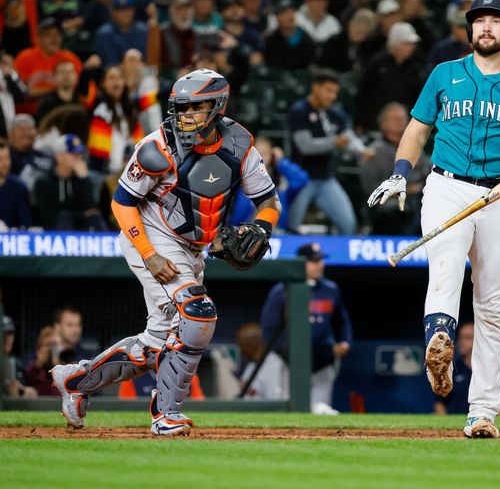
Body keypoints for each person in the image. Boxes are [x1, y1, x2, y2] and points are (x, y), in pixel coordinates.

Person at [49, 68, 281, 436]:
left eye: (195, 108)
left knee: (154, 345)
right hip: (151, 238)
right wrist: (149, 254)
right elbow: (122, 203)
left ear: (217, 108)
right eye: (181, 108)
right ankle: (165, 414)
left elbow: (268, 200)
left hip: (192, 247)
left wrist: (262, 226)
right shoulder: (157, 147)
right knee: (198, 314)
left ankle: (76, 382)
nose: (185, 116)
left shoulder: (239, 143)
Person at [368, 0, 500, 438]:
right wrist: (399, 173)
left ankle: (482, 412)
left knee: (492, 304)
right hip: (446, 185)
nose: (486, 27)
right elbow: (417, 129)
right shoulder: (444, 74)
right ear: (470, 30)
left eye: (495, 21)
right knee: (446, 266)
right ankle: (441, 339)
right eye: (479, 21)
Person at [260, 243, 353, 414]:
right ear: (302, 262)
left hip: (323, 360)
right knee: (292, 411)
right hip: (291, 363)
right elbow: (269, 327)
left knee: (322, 411)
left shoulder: (330, 289)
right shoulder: (282, 290)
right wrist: (285, 351)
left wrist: (345, 342)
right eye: (314, 261)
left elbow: (342, 320)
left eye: (320, 260)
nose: (320, 265)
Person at [287, 69, 366, 235]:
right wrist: (335, 142)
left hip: (325, 178)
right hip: (300, 178)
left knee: (348, 224)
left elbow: (348, 137)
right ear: (315, 87)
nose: (333, 96)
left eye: (335, 92)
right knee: (291, 226)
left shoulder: (336, 113)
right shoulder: (299, 111)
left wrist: (363, 151)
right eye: (328, 91)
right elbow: (305, 146)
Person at [360, 102, 431, 235]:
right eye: (394, 119)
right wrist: (402, 189)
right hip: (387, 203)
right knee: (395, 211)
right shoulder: (373, 152)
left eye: (402, 118)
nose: (400, 122)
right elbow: (369, 187)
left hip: (418, 199)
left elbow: (429, 172)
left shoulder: (416, 148)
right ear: (382, 124)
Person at [356, 21, 424, 132]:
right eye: (407, 44)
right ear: (395, 43)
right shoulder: (377, 64)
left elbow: (417, 95)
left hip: (404, 122)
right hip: (377, 123)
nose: (411, 48)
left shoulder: (413, 66)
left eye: (413, 44)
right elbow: (363, 94)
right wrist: (360, 122)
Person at [433, 321, 500, 416]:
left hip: (484, 423)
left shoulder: (492, 369)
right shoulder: (451, 369)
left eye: (468, 338)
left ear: (480, 341)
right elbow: (439, 403)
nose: (462, 342)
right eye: (461, 337)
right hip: (455, 425)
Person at [32, 134, 106, 231]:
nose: (79, 157)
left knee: (96, 219)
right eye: (74, 154)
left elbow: (91, 210)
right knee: (63, 220)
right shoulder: (43, 182)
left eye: (80, 154)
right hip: (52, 233)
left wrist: (84, 180)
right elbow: (49, 216)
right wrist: (81, 215)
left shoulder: (82, 179)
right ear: (59, 157)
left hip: (81, 231)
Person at [94, 0, 149, 66]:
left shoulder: (144, 31)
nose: (125, 13)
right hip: (116, 74)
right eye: (120, 10)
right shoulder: (105, 33)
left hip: (142, 73)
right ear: (113, 13)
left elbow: (148, 61)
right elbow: (111, 64)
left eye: (127, 9)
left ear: (133, 11)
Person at [264, 0, 316, 70]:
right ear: (277, 17)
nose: (289, 15)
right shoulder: (271, 41)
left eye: (291, 11)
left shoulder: (306, 39)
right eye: (284, 13)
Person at [0, 138, 31, 230]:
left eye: (7, 157)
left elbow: (25, 223)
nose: (6, 163)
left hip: (12, 239)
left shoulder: (18, 187)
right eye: (1, 159)